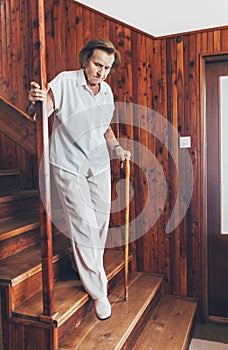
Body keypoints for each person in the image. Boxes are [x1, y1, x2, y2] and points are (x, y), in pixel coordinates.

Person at [28, 38, 131, 320]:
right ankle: (99, 292)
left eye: (107, 67)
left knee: (100, 222)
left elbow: (104, 128)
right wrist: (38, 101)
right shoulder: (64, 82)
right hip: (67, 164)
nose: (101, 71)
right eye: (98, 64)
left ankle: (81, 262)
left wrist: (117, 148)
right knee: (84, 225)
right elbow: (43, 112)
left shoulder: (106, 91)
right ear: (85, 59)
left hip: (97, 164)